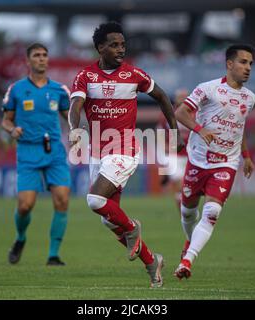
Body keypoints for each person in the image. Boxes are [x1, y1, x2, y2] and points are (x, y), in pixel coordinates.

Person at [68, 21, 185, 288]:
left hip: (124, 149)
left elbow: (163, 97)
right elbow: (75, 104)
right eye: (114, 44)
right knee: (108, 221)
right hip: (97, 153)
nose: (121, 49)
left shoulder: (134, 74)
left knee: (95, 200)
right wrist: (74, 128)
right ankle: (152, 262)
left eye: (123, 44)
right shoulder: (86, 76)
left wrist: (175, 131)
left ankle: (133, 228)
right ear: (100, 48)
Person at [174, 44, 255, 279]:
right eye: (243, 62)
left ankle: (187, 261)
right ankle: (189, 242)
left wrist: (246, 156)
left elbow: (240, 128)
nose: (247, 68)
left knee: (211, 212)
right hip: (198, 161)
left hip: (225, 163)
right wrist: (199, 129)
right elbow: (181, 112)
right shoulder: (207, 89)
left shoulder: (250, 98)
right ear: (229, 64)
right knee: (188, 213)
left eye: (250, 63)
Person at [1, 43, 71, 266]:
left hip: (54, 152)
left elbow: (71, 116)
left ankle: (53, 254)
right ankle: (20, 238)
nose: (41, 59)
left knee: (62, 200)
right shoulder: (17, 89)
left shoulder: (60, 90)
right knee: (25, 205)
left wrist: (78, 130)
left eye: (44, 55)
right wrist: (12, 130)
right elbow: (6, 119)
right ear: (28, 61)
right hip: (28, 151)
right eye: (37, 56)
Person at [156, 88, 190, 210]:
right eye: (181, 97)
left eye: (185, 97)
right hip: (174, 156)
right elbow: (160, 135)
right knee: (180, 184)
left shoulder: (196, 114)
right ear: (175, 99)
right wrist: (165, 148)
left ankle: (185, 210)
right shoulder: (167, 114)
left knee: (187, 188)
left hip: (190, 156)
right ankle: (183, 214)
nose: (183, 99)